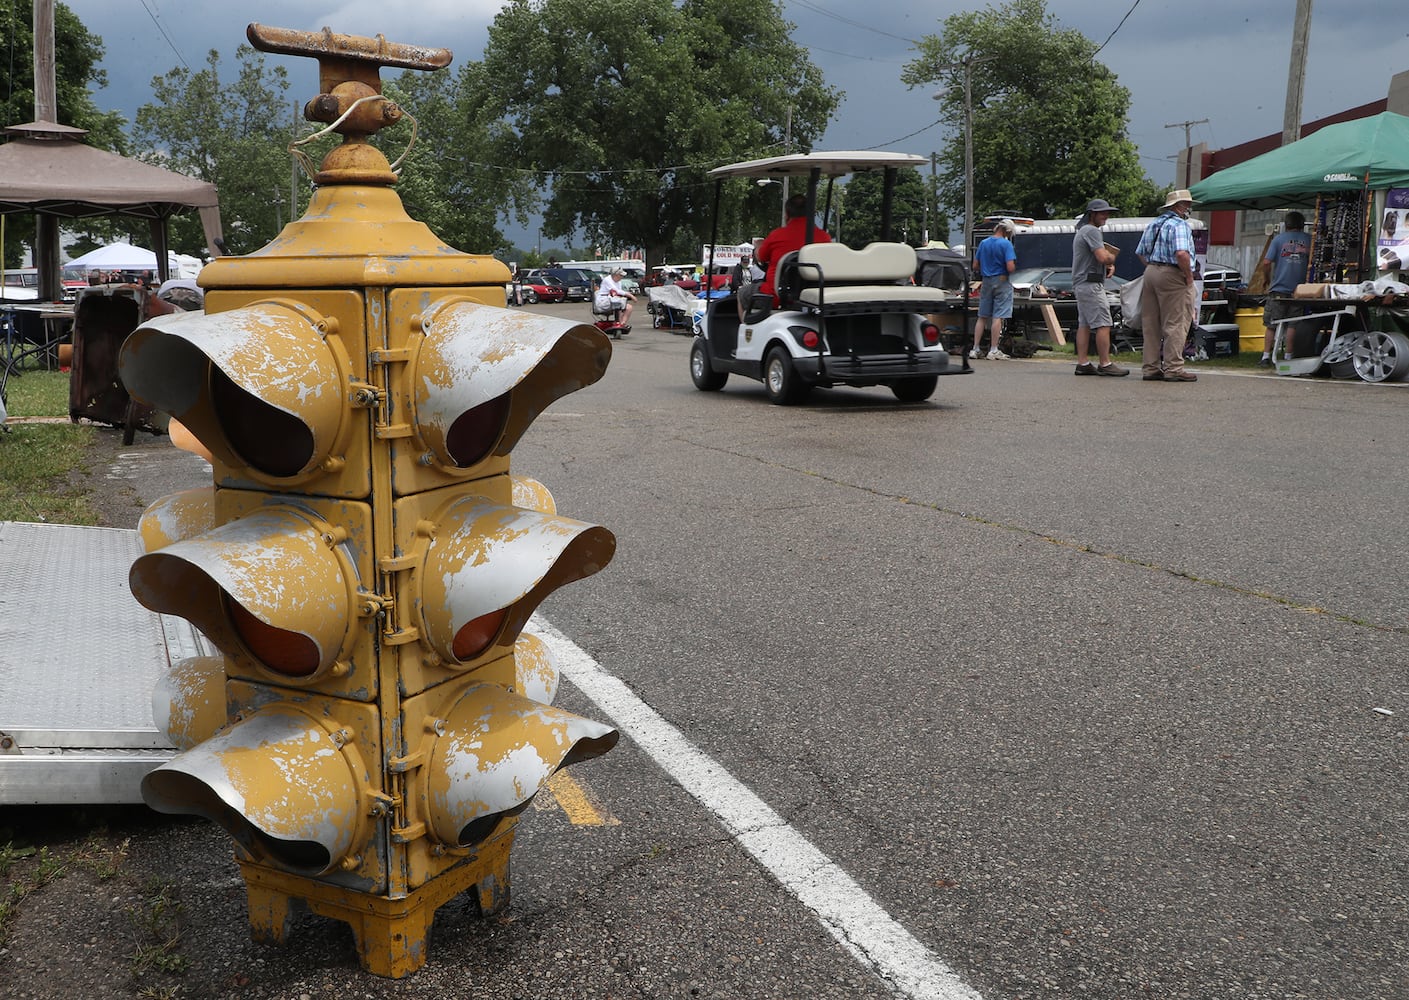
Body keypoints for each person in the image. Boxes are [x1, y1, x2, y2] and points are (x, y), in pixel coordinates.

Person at [1134, 189, 1198, 382]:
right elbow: (1181, 253)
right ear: (1178, 207)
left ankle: (1151, 367)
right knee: (1176, 322)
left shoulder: (1155, 223)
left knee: (1151, 323)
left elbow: (1140, 252)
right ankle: (1173, 367)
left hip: (1152, 271)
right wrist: (1188, 276)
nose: (1189, 208)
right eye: (1186, 204)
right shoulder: (1180, 225)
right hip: (1173, 273)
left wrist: (1154, 267)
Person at [741, 193, 833, 318]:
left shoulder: (777, 235)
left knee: (742, 292)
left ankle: (745, 333)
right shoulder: (824, 237)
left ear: (787, 215)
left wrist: (758, 248)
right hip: (812, 296)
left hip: (777, 295)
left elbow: (761, 258)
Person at [1071, 198, 1129, 376]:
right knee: (1104, 323)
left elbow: (1095, 258)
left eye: (1108, 213)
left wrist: (1106, 264)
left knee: (1085, 323)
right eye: (1103, 213)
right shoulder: (1092, 231)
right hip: (1091, 284)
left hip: (1082, 283)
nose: (1106, 216)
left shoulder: (1083, 230)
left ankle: (1083, 363)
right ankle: (1105, 363)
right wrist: (1111, 258)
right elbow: (1103, 257)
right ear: (1092, 214)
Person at [1257, 211, 1311, 367]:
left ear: (1286, 225)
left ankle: (1266, 356)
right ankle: (1288, 356)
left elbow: (1266, 262)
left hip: (1279, 287)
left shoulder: (1278, 239)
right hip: (1300, 290)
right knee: (1292, 324)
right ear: (1302, 225)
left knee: (1272, 323)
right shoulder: (1309, 240)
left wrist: (1267, 278)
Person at [970, 219, 1016, 359]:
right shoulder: (1006, 244)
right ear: (1007, 231)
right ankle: (993, 349)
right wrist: (1016, 267)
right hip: (1002, 280)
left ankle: (975, 348)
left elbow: (975, 266)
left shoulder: (984, 243)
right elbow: (1010, 267)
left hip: (986, 281)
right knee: (998, 316)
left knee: (982, 316)